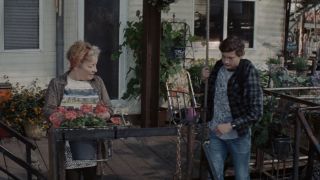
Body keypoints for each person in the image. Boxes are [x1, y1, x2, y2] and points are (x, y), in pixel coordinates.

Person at [43, 41, 113, 180]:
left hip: (93, 144)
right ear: (76, 64)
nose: (95, 70)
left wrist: (104, 114)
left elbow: (109, 108)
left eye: (95, 65)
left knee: (92, 176)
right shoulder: (58, 84)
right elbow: (48, 110)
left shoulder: (97, 82)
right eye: (91, 65)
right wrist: (66, 117)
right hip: (67, 146)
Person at [201, 36, 263, 180]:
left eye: (230, 57)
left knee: (241, 176)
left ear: (241, 54)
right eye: (223, 57)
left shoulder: (247, 71)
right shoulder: (218, 66)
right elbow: (209, 95)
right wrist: (204, 80)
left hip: (238, 135)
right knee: (214, 174)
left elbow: (256, 112)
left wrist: (231, 125)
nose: (226, 61)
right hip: (215, 132)